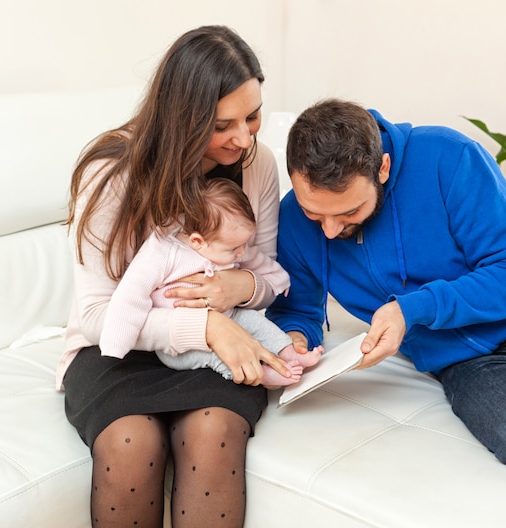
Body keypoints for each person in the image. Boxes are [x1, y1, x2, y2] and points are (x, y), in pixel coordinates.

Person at [266, 99, 506, 509]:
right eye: (316, 215)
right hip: (468, 362)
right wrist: (293, 341)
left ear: (381, 168)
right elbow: (297, 308)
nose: (328, 231)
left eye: (348, 212)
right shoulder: (294, 218)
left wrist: (412, 309)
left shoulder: (449, 157)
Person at [58, 25, 299, 527]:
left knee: (213, 433)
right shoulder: (111, 175)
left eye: (252, 116)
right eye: (222, 124)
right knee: (131, 443)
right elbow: (98, 315)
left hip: (216, 351)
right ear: (181, 120)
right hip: (120, 350)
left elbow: (266, 275)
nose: (243, 137)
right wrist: (205, 326)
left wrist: (244, 288)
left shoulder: (258, 165)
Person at [99, 176, 322, 386]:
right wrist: (115, 346)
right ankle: (259, 374)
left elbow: (259, 261)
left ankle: (289, 352)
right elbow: (130, 295)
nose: (242, 252)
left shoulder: (228, 244)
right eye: (235, 248)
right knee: (217, 356)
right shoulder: (161, 253)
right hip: (180, 344)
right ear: (198, 241)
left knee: (257, 322)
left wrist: (281, 280)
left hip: (230, 316)